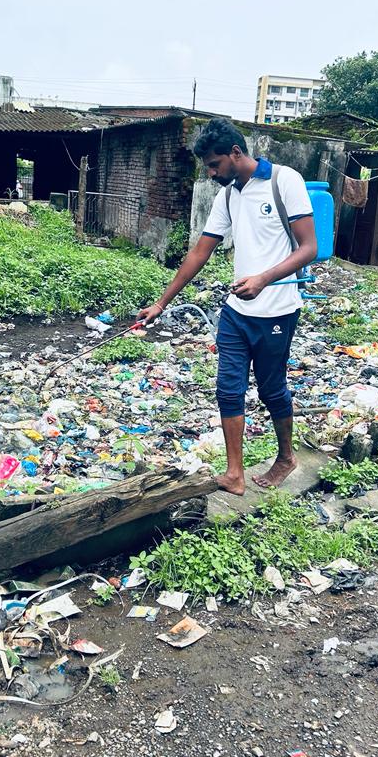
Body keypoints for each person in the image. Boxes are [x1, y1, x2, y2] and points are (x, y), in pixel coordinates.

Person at [137, 118, 317, 496]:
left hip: (278, 311)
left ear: (236, 153)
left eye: (215, 165)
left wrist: (263, 279)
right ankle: (235, 474)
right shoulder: (228, 196)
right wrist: (161, 303)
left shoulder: (285, 181)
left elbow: (309, 248)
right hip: (237, 312)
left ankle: (286, 457)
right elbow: (200, 251)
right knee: (228, 389)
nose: (211, 173)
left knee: (271, 390)